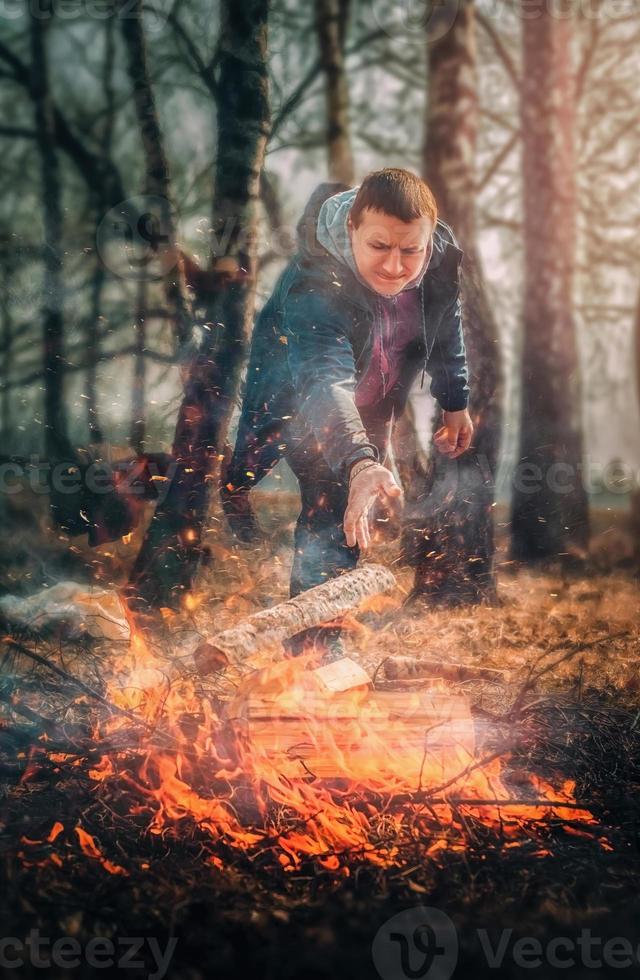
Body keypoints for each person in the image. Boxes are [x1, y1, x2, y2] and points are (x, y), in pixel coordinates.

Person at [221, 168, 473, 655]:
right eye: (380, 247)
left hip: (373, 402)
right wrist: (361, 460)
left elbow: (447, 324)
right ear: (352, 231)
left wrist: (455, 400)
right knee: (254, 456)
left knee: (334, 510)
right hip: (299, 394)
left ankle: (315, 653)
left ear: (428, 241)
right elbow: (322, 380)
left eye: (410, 250)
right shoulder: (314, 282)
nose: (396, 267)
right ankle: (233, 483)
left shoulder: (439, 258)